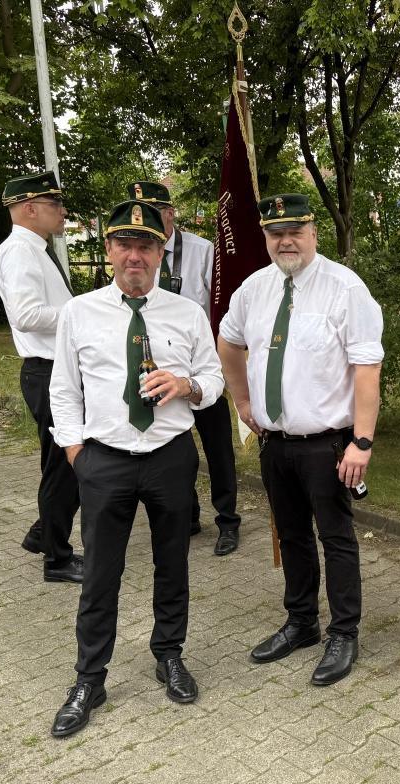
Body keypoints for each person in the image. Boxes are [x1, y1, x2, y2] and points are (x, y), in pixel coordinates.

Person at [48, 200, 225, 738]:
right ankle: (89, 677)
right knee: (101, 571)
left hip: (169, 458)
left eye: (145, 245)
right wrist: (78, 454)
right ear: (108, 251)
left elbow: (213, 380)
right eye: (123, 244)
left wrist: (187, 385)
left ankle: (168, 654)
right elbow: (63, 391)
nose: (134, 255)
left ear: (159, 253)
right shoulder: (79, 313)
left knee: (173, 563)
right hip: (104, 460)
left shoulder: (186, 313)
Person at [218, 194, 383, 687]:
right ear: (265, 237)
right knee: (290, 536)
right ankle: (302, 622)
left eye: (295, 231)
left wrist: (363, 441)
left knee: (335, 537)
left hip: (328, 444)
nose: (285, 241)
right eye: (275, 233)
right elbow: (228, 341)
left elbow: (367, 368)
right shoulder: (255, 288)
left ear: (314, 233)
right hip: (276, 442)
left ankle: (344, 633)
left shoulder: (344, 288)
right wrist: (243, 401)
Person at [128, 181, 240, 556]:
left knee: (218, 448)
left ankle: (228, 521)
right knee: (174, 446)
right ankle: (188, 514)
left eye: (155, 215)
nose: (146, 226)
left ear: (171, 213)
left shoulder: (202, 251)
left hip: (200, 367)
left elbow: (220, 307)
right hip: (156, 369)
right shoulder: (138, 255)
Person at [0, 170, 82, 584]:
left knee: (62, 461)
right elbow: (27, 317)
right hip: (46, 373)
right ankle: (57, 559)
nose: (62, 212)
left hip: (53, 371)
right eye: (54, 204)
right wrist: (82, 313)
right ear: (30, 208)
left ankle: (44, 533)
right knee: (65, 465)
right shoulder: (20, 252)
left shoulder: (33, 249)